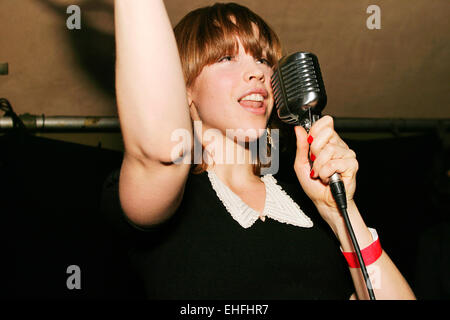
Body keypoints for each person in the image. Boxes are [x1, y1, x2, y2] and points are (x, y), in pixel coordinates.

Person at [103, 0, 416, 300]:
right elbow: (161, 152)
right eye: (227, 57)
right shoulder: (170, 194)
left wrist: (338, 213)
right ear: (183, 88)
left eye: (263, 59)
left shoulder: (305, 200)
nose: (258, 73)